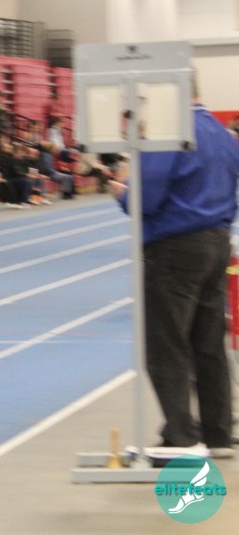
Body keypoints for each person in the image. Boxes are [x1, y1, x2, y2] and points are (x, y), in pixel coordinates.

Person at [110, 90, 239, 458]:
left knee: (166, 344)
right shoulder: (221, 132)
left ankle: (181, 438)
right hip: (217, 240)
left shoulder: (169, 130)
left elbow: (146, 199)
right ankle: (217, 434)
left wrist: (122, 193)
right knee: (209, 343)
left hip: (175, 247)